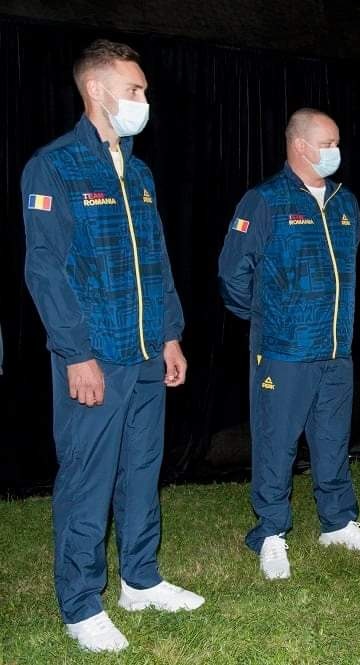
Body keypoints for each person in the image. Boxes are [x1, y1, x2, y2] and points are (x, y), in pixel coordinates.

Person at [21, 39, 204, 653]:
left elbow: (157, 259)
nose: (144, 100)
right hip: (95, 354)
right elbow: (44, 269)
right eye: (134, 90)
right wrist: (76, 353)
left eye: (144, 91)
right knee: (87, 479)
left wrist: (171, 334)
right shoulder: (54, 166)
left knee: (141, 470)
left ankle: (141, 580)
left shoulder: (139, 171)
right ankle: (80, 603)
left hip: (147, 351)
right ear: (96, 90)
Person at [219, 108, 360, 582]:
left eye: (337, 143)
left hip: (336, 350)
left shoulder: (345, 202)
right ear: (299, 145)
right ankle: (271, 532)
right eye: (327, 143)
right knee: (276, 443)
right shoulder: (264, 201)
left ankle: (338, 522)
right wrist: (268, 318)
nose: (336, 152)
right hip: (284, 351)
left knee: (332, 440)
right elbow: (232, 274)